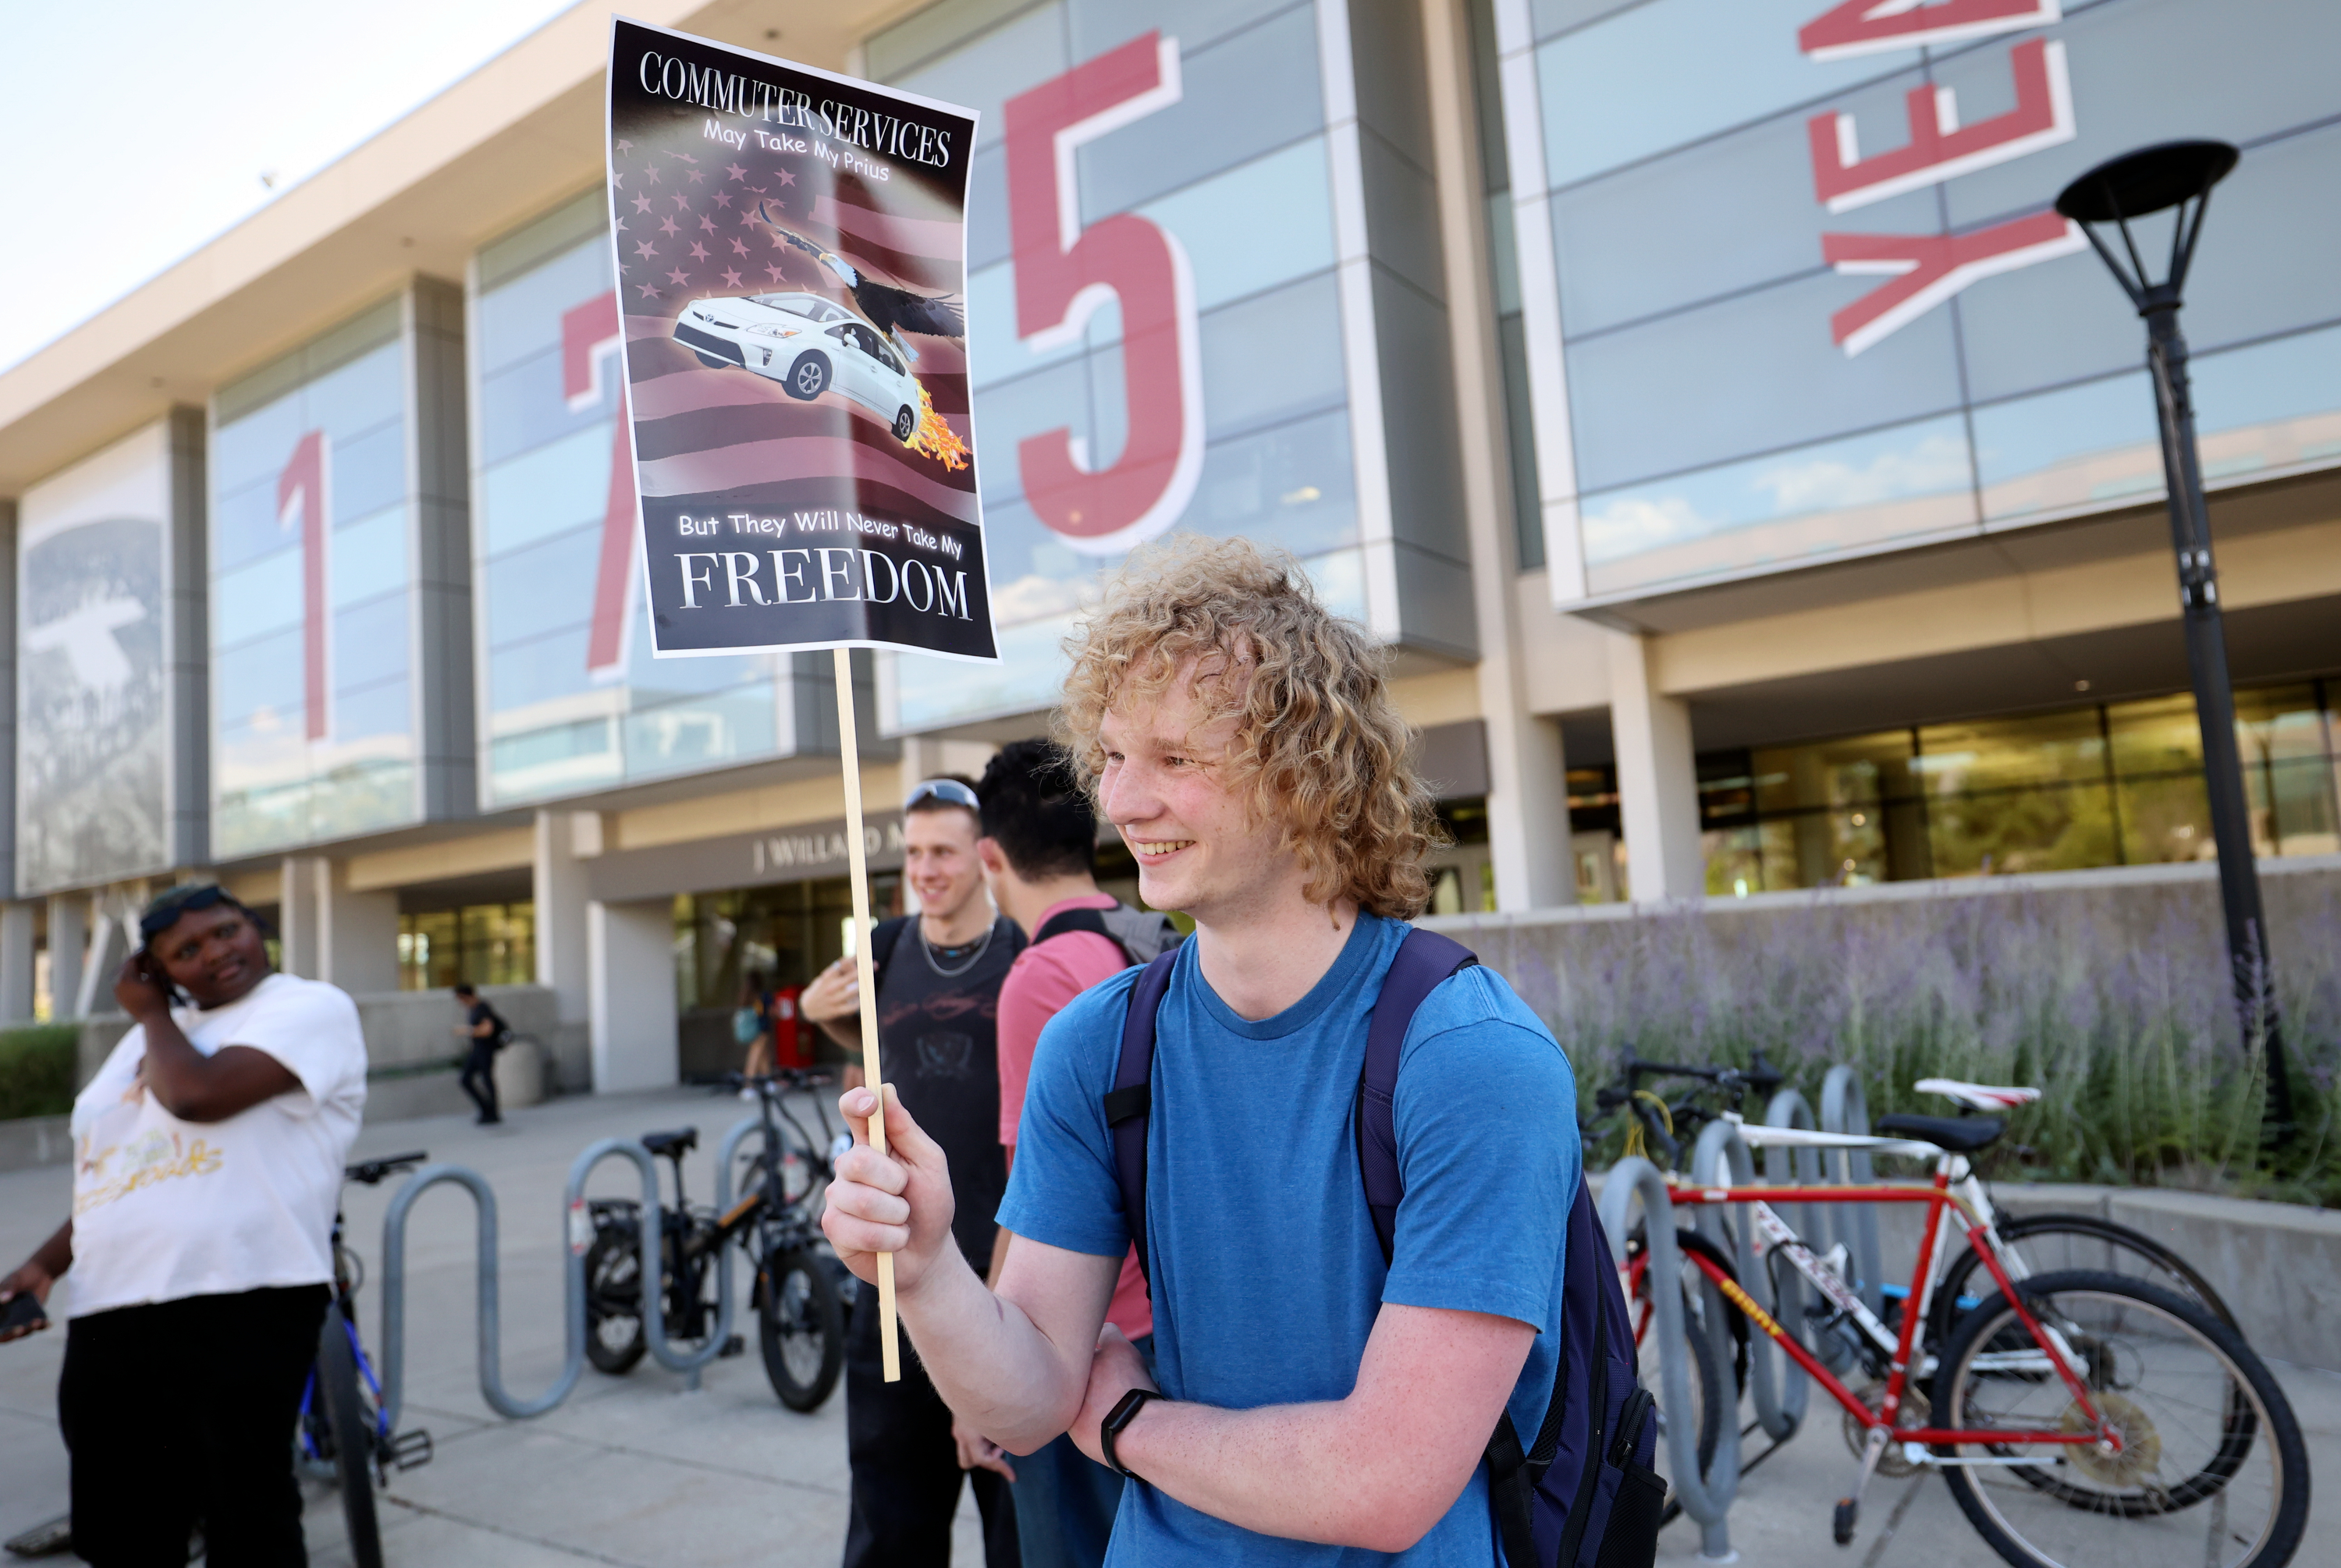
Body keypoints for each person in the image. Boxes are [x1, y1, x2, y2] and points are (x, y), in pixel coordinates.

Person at [822, 538, 1579, 1563]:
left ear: (1308, 773)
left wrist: (1131, 1424)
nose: (1125, 801)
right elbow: (1034, 1396)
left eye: (1178, 758)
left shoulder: (1471, 1056)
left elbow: (1385, 1483)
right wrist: (924, 1269)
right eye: (1118, 756)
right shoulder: (1098, 1043)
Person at [0, 882, 368, 1567]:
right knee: (119, 1522)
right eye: (187, 951)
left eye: (227, 931)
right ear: (160, 970)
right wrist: (46, 1265)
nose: (216, 953)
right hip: (112, 1306)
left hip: (242, 1292)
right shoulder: (145, 1040)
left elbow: (196, 1097)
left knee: (244, 1513)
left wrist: (151, 1013)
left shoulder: (306, 1007)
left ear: (257, 927)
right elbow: (121, 1173)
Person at [801, 775, 1027, 1568]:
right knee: (891, 1527)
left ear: (984, 858)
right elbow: (874, 1053)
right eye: (914, 852)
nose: (926, 869)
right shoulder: (887, 946)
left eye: (943, 852)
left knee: (1020, 1528)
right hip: (891, 1283)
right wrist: (814, 1012)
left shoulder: (1020, 952)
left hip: (1005, 1277)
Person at [975, 738, 1175, 1568]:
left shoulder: (1039, 977)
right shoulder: (1145, 946)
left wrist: (986, 1368)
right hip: (1168, 1331)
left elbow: (1038, 1196)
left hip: (1087, 1349)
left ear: (992, 858)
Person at [450, 981, 508, 1125]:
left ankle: (492, 1112)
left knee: (486, 1079)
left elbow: (487, 1029)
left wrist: (467, 1030)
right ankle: (486, 1109)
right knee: (466, 1079)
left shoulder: (482, 1008)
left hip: (485, 1049)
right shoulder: (474, 1009)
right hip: (477, 1049)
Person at [737, 971, 776, 1081]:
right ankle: (749, 1084)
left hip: (751, 1029)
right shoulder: (763, 995)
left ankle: (768, 1081)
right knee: (755, 1056)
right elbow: (770, 1011)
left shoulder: (746, 994)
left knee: (764, 1056)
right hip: (761, 1028)